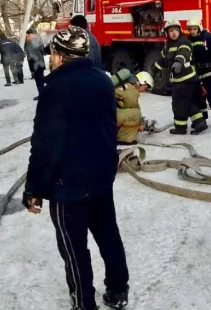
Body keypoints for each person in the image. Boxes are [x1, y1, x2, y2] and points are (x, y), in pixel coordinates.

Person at [22, 26, 130, 310]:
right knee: (109, 237)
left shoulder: (54, 88)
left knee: (74, 249)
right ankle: (118, 291)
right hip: (100, 179)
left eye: (52, 53)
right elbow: (110, 130)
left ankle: (84, 303)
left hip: (67, 186)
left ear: (58, 55)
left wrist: (34, 188)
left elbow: (45, 145)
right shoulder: (103, 80)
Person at [153, 20, 207, 135]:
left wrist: (178, 61)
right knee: (189, 102)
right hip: (186, 79)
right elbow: (165, 59)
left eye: (176, 30)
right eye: (171, 30)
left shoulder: (183, 41)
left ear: (180, 31)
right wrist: (156, 66)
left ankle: (180, 128)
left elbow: (183, 53)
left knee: (179, 104)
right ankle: (200, 122)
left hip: (184, 79)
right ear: (167, 32)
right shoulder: (168, 45)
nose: (173, 33)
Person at [187, 17, 211, 128]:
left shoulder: (208, 37)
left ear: (199, 28)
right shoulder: (188, 41)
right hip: (196, 73)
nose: (192, 31)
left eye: (194, 29)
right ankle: (201, 120)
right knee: (199, 98)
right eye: (191, 29)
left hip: (209, 72)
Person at [110, 69, 154, 145]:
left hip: (103, 114)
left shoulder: (127, 85)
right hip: (106, 118)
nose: (144, 91)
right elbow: (134, 108)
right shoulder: (131, 90)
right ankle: (124, 139)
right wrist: (140, 125)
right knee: (135, 114)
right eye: (145, 88)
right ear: (142, 82)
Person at [24, 27, 47, 99]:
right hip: (33, 63)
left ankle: (42, 94)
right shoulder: (29, 41)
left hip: (38, 63)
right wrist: (27, 41)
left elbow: (39, 51)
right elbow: (26, 50)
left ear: (33, 34)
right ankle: (42, 93)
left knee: (40, 79)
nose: (27, 36)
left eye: (28, 35)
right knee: (38, 80)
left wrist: (29, 42)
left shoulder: (37, 41)